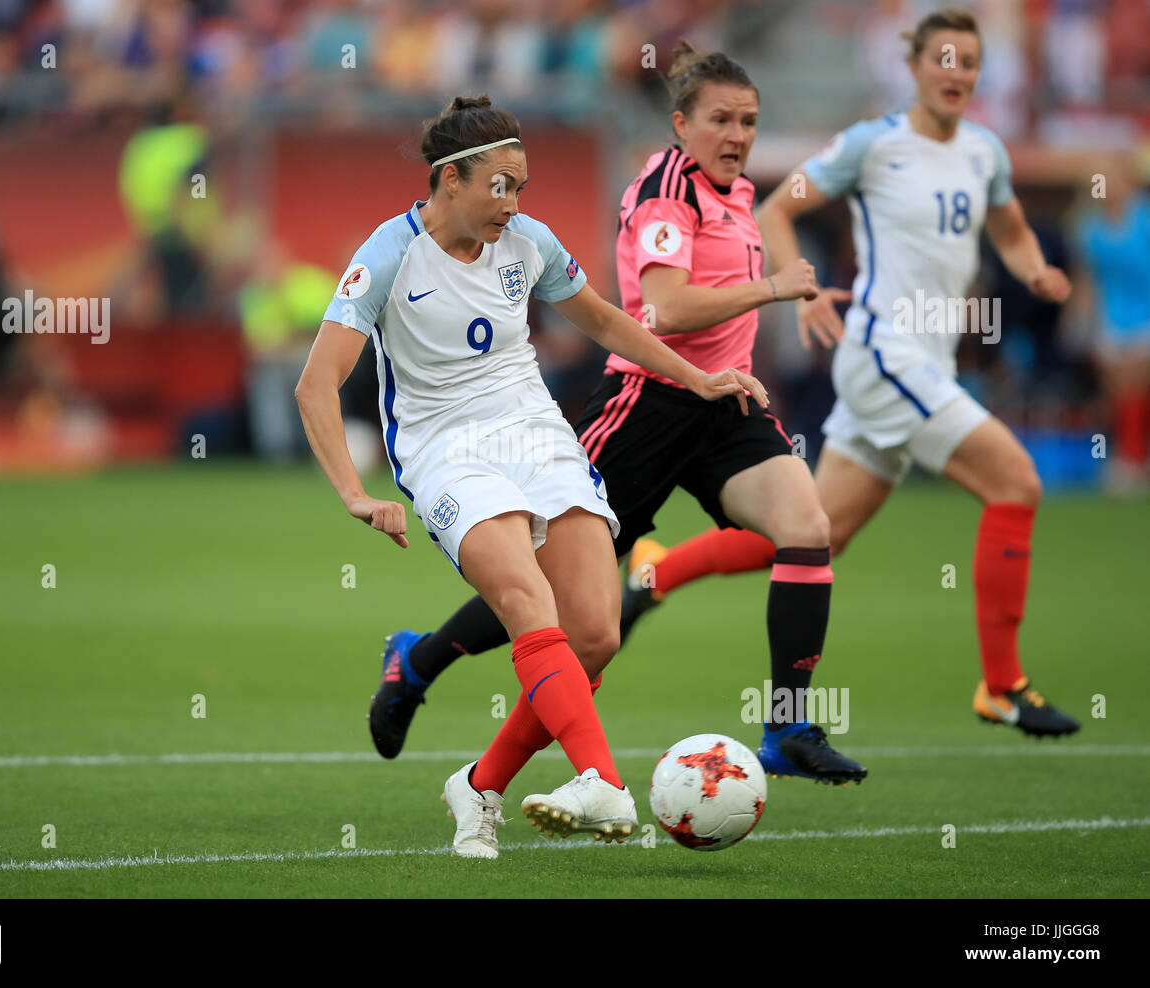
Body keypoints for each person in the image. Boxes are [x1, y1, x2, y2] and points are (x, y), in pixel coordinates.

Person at [368, 47, 870, 790]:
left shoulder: (736, 194)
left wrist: (766, 313)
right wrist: (771, 289)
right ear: (680, 124)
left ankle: (787, 725)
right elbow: (659, 309)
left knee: (809, 528)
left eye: (750, 122)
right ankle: (420, 659)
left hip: (723, 400)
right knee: (550, 591)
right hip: (647, 408)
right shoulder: (668, 188)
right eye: (721, 120)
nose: (738, 135)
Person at [295, 95, 766, 858]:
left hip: (536, 434)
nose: (511, 203)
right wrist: (356, 492)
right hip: (445, 448)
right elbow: (316, 384)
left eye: (521, 186)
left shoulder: (528, 243)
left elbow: (611, 322)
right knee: (523, 598)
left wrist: (700, 379)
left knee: (594, 635)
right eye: (499, 185)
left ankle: (478, 787)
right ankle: (602, 781)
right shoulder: (388, 252)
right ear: (450, 179)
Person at [614, 8, 1081, 737]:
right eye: (943, 59)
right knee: (1016, 481)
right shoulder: (874, 145)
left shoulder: (985, 151)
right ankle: (1003, 684)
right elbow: (780, 207)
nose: (956, 73)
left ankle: (655, 572)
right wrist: (790, 290)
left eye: (969, 62)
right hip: (885, 355)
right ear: (916, 68)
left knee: (810, 536)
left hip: (927, 361)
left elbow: (1010, 227)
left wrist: (1037, 271)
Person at [1071, 153, 1150, 494]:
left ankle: (1134, 459)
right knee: (1117, 390)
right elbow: (1087, 278)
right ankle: (1122, 459)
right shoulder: (1089, 227)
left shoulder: (1143, 217)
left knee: (1137, 380)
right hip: (1112, 316)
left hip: (1145, 309)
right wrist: (1080, 322)